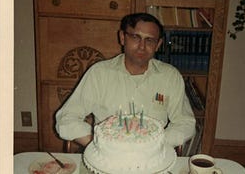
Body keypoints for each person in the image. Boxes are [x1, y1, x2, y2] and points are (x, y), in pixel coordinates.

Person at [55, 12, 196, 148]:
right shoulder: (99, 74)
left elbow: (185, 123)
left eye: (149, 40)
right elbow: (66, 119)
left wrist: (156, 145)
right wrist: (98, 144)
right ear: (123, 37)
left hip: (153, 158)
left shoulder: (170, 77)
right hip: (106, 158)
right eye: (135, 37)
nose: (142, 46)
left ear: (158, 44)